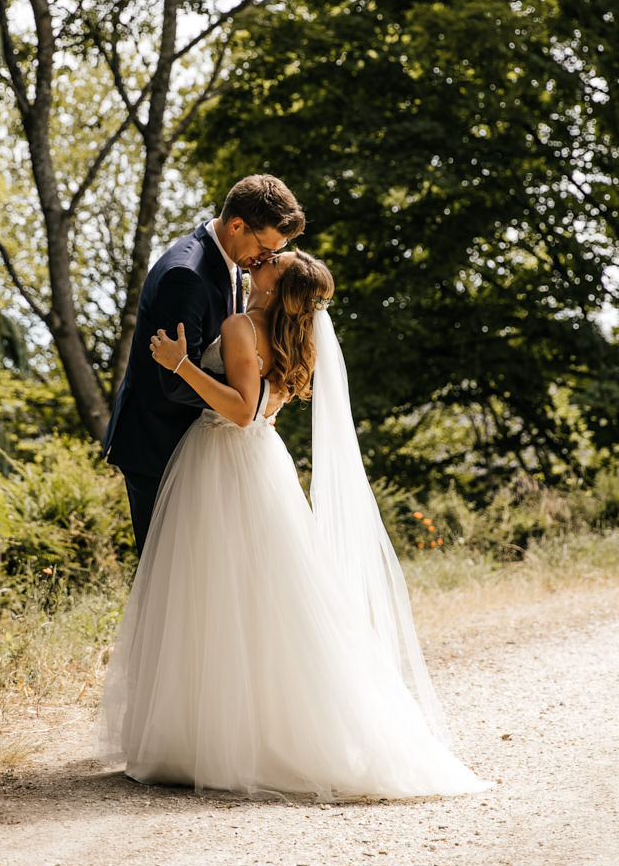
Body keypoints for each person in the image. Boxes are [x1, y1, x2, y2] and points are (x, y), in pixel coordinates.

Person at [96, 248, 490, 801]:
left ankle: (212, 737)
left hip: (223, 459)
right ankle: (240, 731)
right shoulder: (284, 333)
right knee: (259, 598)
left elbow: (241, 409)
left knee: (217, 595)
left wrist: (180, 364)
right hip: (262, 463)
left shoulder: (240, 325)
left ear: (280, 287)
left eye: (277, 262)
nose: (266, 259)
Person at [103, 174, 305, 554]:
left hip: (203, 447)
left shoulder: (230, 264)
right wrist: (254, 403)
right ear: (237, 225)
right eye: (264, 248)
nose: (264, 260)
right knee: (166, 577)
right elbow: (174, 380)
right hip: (160, 445)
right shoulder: (187, 275)